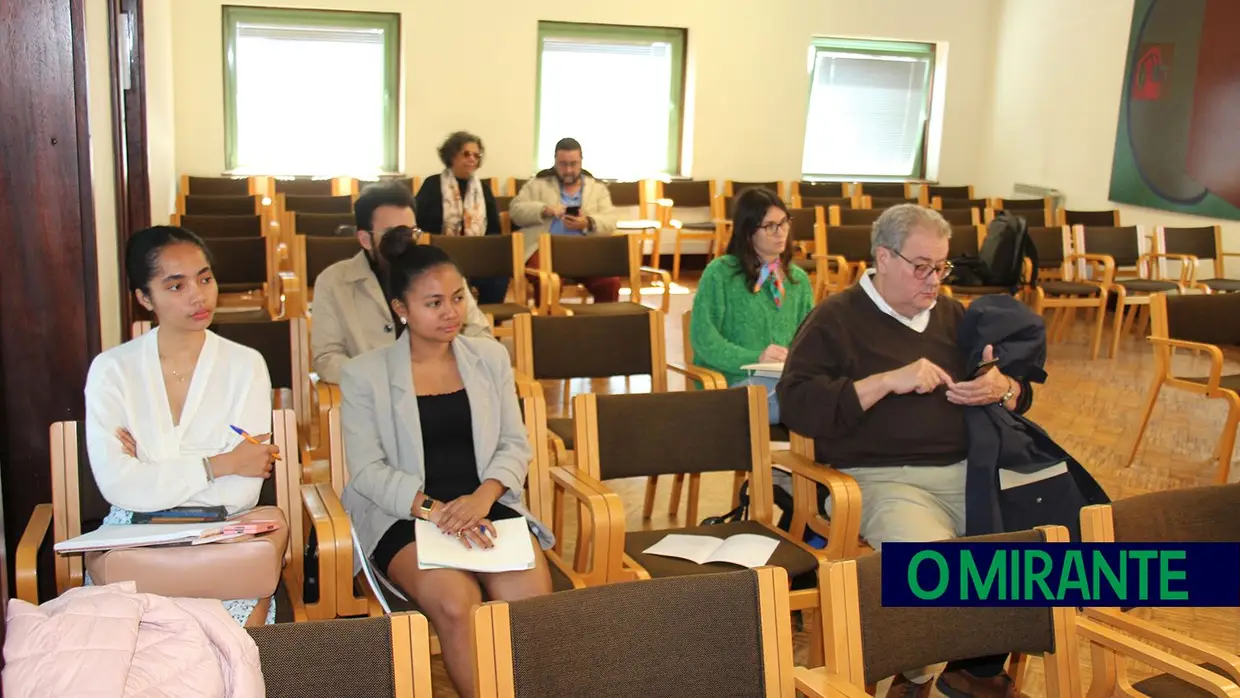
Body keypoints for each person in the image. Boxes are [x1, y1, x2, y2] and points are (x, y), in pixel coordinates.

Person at [777, 204, 1035, 698]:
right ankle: (925, 674)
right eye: (922, 267)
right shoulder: (835, 318)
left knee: (1042, 551)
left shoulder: (954, 317)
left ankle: (966, 673)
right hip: (881, 479)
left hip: (967, 472)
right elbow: (798, 404)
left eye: (942, 267)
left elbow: (1020, 393)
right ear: (883, 257)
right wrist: (885, 382)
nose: (934, 280)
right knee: (934, 572)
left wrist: (1002, 387)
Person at [338, 226, 554, 698]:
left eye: (458, 297)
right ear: (401, 309)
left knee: (531, 603)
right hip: (407, 514)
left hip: (482, 504)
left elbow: (514, 445)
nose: (450, 312)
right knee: (459, 605)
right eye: (433, 303)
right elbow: (367, 471)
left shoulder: (489, 357)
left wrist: (480, 499)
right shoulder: (364, 375)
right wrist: (439, 512)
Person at [83, 226, 282, 626]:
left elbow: (241, 494)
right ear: (144, 298)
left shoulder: (246, 365)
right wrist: (220, 463)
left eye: (205, 278)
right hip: (133, 540)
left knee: (228, 648)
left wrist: (154, 468)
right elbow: (118, 486)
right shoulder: (112, 371)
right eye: (176, 286)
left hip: (222, 539)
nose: (198, 295)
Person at [311, 181, 493, 385]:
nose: (403, 241)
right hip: (375, 398)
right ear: (365, 239)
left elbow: (482, 336)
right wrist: (379, 377)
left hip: (444, 385)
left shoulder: (441, 271)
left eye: (409, 232)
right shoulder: (334, 282)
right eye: (392, 234)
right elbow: (326, 359)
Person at [689, 188, 814, 424]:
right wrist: (756, 356)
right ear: (748, 231)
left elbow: (811, 339)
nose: (781, 233)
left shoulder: (797, 280)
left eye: (785, 223)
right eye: (770, 226)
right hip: (733, 381)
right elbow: (704, 339)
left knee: (830, 392)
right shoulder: (721, 273)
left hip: (785, 381)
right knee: (815, 403)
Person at [509, 137, 622, 303]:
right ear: (555, 162)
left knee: (610, 282)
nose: (568, 170)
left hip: (585, 251)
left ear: (581, 162)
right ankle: (547, 326)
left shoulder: (597, 189)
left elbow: (611, 221)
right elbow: (515, 211)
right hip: (543, 250)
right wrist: (544, 210)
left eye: (573, 164)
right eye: (563, 164)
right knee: (546, 281)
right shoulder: (538, 184)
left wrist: (588, 222)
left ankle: (601, 326)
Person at [414, 131, 509, 305]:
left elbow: (494, 231)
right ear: (452, 155)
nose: (472, 159)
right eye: (466, 154)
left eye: (476, 155)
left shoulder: (484, 190)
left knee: (499, 276)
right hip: (441, 257)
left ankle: (486, 323)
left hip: (476, 257)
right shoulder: (432, 185)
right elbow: (419, 223)